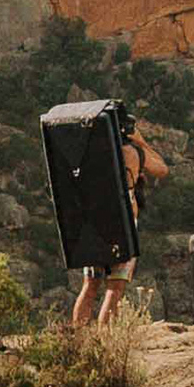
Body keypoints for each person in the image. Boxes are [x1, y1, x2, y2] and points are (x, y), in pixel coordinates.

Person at [69, 115, 168, 326]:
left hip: (94, 225)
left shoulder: (90, 153)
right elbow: (162, 169)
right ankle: (105, 340)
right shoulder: (132, 153)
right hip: (123, 227)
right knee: (114, 289)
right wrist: (141, 141)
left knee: (90, 286)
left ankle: (78, 337)